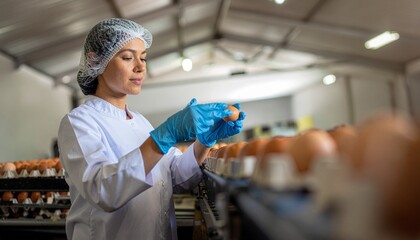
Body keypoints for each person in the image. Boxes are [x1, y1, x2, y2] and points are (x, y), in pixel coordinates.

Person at [57, 18, 245, 240]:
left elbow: (175, 176)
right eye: (128, 57)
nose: (140, 66)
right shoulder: (79, 122)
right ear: (95, 59)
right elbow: (104, 190)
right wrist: (165, 135)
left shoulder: (139, 122)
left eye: (143, 58)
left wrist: (204, 141)